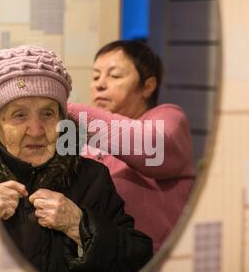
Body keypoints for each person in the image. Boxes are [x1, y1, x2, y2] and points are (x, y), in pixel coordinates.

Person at [0, 45, 152, 272]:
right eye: (19, 115)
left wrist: (81, 227)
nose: (36, 130)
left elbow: (139, 264)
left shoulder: (92, 177)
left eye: (48, 114)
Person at [68, 40, 195, 253]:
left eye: (114, 75)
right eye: (95, 76)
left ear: (148, 86)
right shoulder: (84, 140)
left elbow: (153, 146)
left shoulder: (169, 119)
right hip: (102, 260)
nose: (100, 84)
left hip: (157, 263)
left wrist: (65, 109)